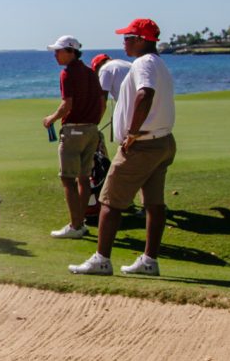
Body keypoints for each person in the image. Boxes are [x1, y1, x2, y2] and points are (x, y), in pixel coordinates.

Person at [70, 18, 176, 277]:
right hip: (162, 141)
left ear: (141, 40)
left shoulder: (143, 63)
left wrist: (133, 132)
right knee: (154, 204)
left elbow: (145, 94)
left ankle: (102, 260)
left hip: (142, 145)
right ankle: (149, 261)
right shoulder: (159, 63)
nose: (124, 42)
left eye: (128, 38)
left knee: (109, 201)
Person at [42, 35, 105, 239]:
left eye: (58, 51)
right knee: (83, 177)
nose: (55, 55)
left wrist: (51, 119)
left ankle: (75, 225)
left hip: (74, 132)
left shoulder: (67, 73)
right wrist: (94, 122)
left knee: (67, 179)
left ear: (70, 52)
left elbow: (66, 105)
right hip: (91, 130)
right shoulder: (90, 72)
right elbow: (101, 101)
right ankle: (81, 222)